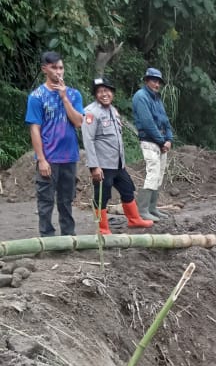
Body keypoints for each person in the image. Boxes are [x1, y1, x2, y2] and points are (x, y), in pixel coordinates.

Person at [82, 77, 153, 235]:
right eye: (100, 91)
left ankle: (134, 220)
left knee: (128, 189)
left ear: (112, 93)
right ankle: (102, 228)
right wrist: (94, 167)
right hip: (103, 165)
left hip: (117, 163)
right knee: (102, 196)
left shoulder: (113, 110)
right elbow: (88, 140)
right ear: (95, 94)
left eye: (107, 90)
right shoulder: (91, 113)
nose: (104, 94)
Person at [25, 50, 84, 238]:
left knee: (66, 200)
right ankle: (47, 238)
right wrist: (41, 159)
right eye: (54, 68)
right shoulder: (37, 96)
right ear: (45, 69)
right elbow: (35, 129)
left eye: (61, 68)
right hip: (49, 157)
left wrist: (64, 98)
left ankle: (68, 236)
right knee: (45, 201)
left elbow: (78, 122)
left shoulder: (74, 94)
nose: (58, 72)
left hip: (69, 156)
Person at [131, 67, 173, 222]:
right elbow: (147, 123)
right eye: (154, 81)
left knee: (159, 175)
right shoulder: (141, 97)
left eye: (158, 82)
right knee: (153, 172)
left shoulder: (157, 99)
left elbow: (166, 121)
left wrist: (169, 139)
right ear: (147, 81)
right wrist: (162, 141)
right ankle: (143, 210)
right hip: (149, 141)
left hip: (161, 142)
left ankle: (152, 208)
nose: (157, 84)